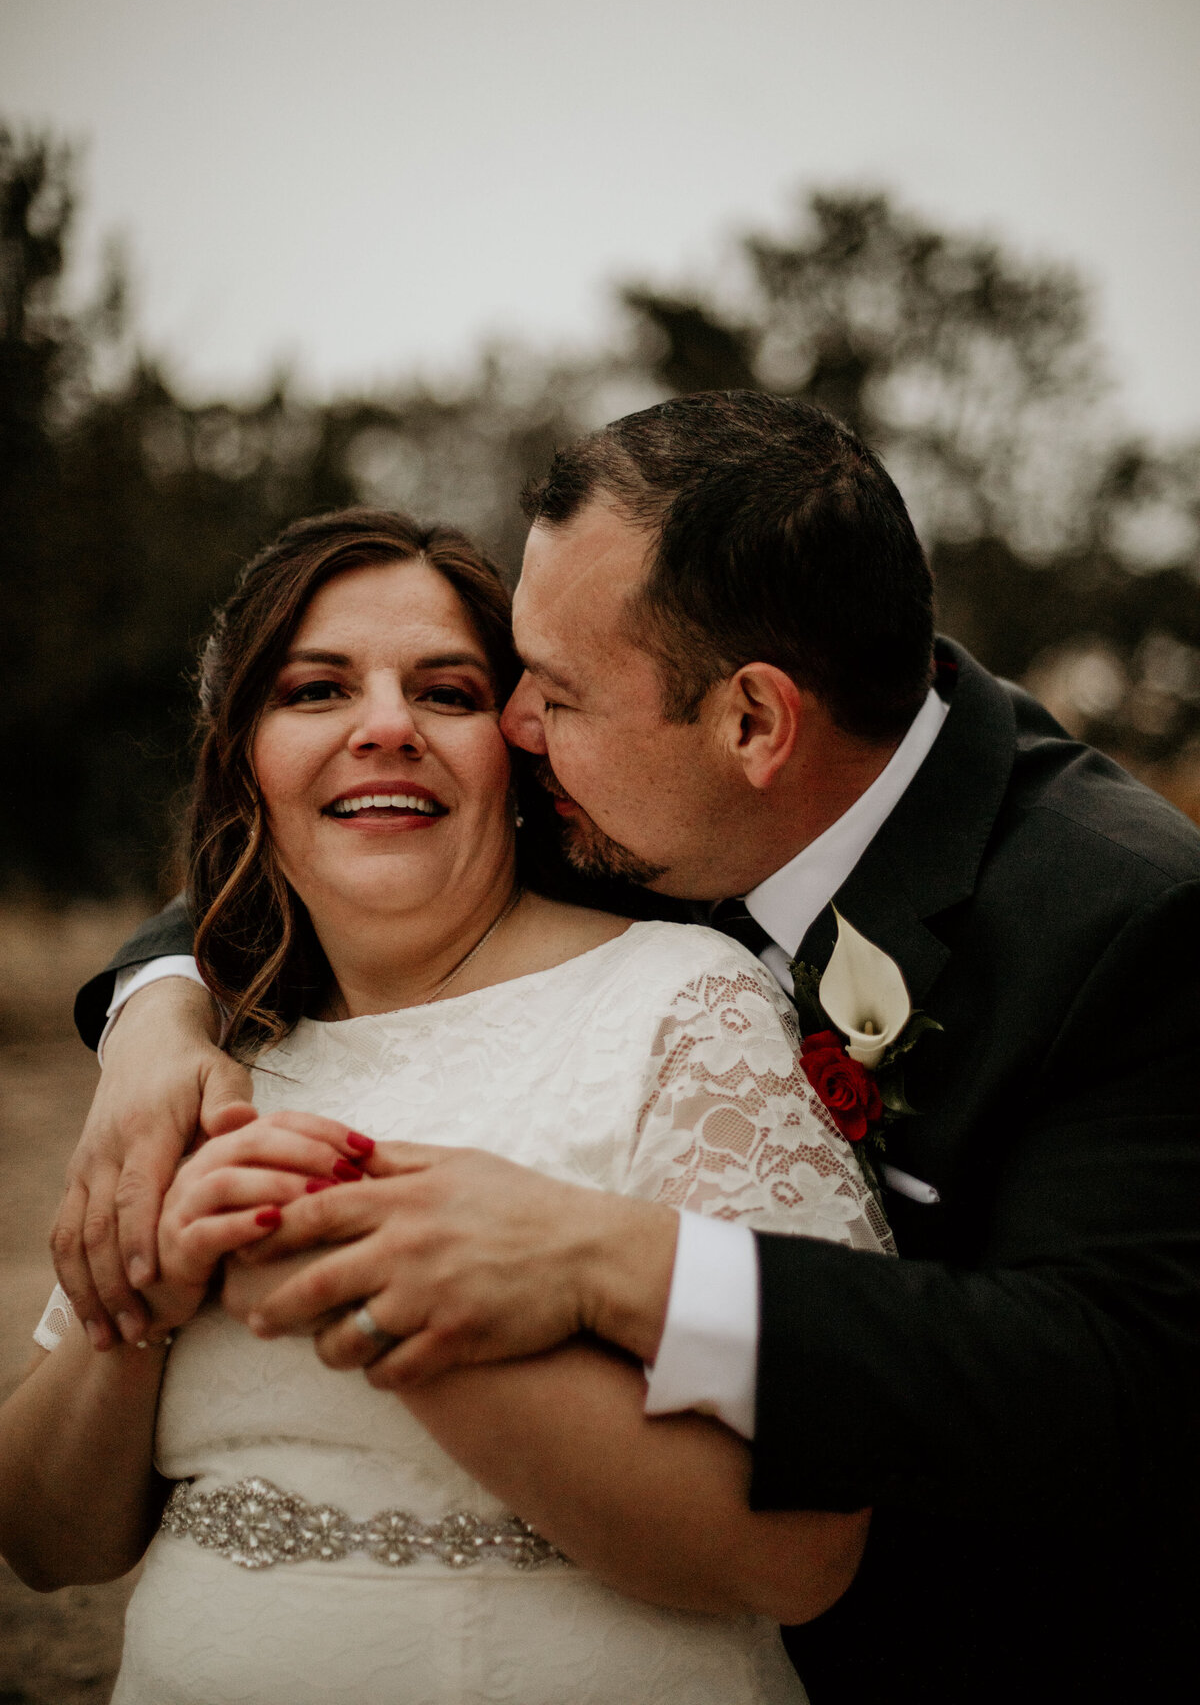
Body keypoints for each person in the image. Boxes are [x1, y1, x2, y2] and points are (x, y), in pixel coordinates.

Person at [60, 393, 1200, 1703]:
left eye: (551, 691)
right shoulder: (642, 784)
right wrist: (157, 1019)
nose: (514, 733)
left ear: (754, 725)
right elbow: (309, 851)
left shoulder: (1130, 923)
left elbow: (1118, 1379)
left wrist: (610, 1259)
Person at [0, 508, 892, 1705]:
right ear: (244, 760)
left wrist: (365, 1296)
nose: (384, 728)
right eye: (316, 690)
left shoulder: (681, 1004)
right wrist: (141, 1310)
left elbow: (801, 1548)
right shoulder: (202, 1057)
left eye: (447, 692)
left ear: (518, 751)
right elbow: (49, 1544)